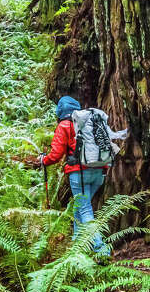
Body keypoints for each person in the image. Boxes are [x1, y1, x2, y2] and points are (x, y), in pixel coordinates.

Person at [39, 95, 111, 256]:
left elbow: (56, 154)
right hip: (99, 171)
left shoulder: (65, 125)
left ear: (60, 111)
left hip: (79, 174)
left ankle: (101, 249)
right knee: (81, 208)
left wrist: (44, 160)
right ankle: (77, 246)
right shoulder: (90, 121)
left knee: (84, 209)